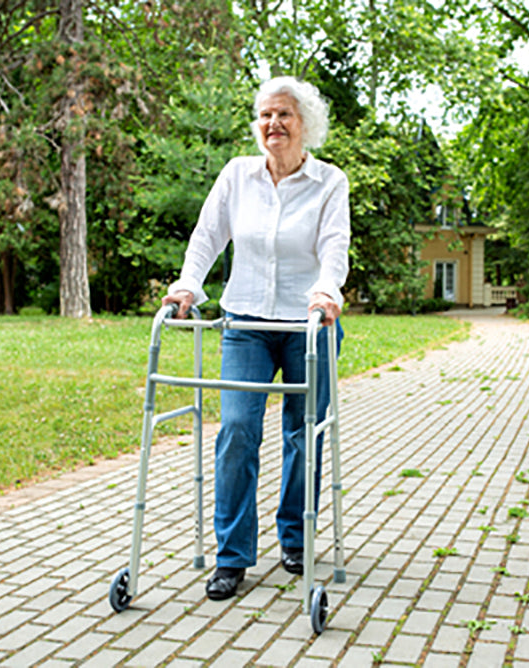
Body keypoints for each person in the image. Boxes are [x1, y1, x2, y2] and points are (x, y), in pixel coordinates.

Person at [162, 76, 350, 601]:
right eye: (266, 115)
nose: (273, 124)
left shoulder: (329, 182)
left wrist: (326, 289)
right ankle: (233, 555)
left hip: (307, 325)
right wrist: (187, 286)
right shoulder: (237, 176)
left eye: (285, 115)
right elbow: (207, 237)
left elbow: (335, 246)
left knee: (302, 434)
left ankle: (295, 538)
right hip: (246, 322)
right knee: (239, 429)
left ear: (306, 123)